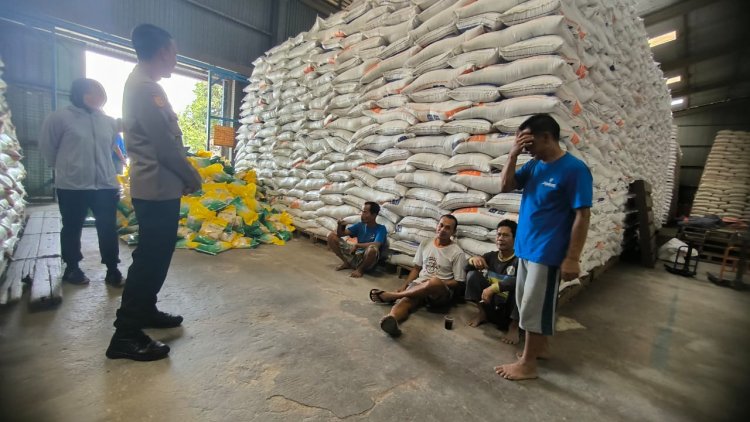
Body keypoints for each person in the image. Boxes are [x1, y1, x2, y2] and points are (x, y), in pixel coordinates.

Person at [106, 24, 202, 362]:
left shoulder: (141, 84)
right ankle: (126, 334)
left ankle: (145, 311)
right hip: (158, 188)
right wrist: (192, 177)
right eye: (174, 54)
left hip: (157, 187)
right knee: (150, 261)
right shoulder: (147, 89)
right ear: (162, 52)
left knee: (154, 258)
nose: (175, 61)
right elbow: (164, 146)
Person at [494, 114, 592, 381]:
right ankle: (542, 348)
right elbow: (505, 185)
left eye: (529, 143)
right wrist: (513, 155)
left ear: (547, 137)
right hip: (526, 247)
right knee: (527, 304)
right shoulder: (535, 165)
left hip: (547, 252)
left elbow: (582, 215)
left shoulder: (574, 170)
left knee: (534, 307)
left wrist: (572, 257)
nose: (527, 149)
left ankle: (528, 364)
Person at [39, 78, 124, 287]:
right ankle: (72, 268)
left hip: (105, 184)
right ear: (77, 94)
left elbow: (111, 148)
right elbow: (48, 148)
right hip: (72, 185)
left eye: (100, 93)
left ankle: (112, 269)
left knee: (107, 228)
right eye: (91, 93)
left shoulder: (108, 122)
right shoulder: (59, 118)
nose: (97, 97)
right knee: (72, 227)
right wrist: (66, 169)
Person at [369, 214, 467, 336]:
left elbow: (459, 282)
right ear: (437, 226)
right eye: (441, 225)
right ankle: (392, 319)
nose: (442, 230)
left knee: (434, 281)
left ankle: (393, 296)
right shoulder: (426, 243)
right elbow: (416, 268)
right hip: (419, 284)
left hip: (440, 292)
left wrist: (433, 284)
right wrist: (405, 286)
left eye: (447, 228)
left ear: (453, 231)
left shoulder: (457, 253)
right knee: (405, 301)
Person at [465, 220, 520, 343]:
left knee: (521, 286)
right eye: (499, 234)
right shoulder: (490, 257)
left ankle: (513, 327)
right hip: (492, 304)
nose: (501, 238)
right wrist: (473, 260)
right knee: (472, 275)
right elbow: (466, 268)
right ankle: (482, 313)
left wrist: (493, 288)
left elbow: (522, 280)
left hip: (510, 310)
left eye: (506, 235)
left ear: (515, 238)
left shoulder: (520, 260)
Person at [326, 201, 387, 278]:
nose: (362, 215)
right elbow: (341, 234)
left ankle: (361, 269)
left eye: (365, 212)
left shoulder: (381, 228)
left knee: (372, 249)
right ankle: (347, 263)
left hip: (367, 259)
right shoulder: (360, 225)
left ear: (374, 215)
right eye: (362, 212)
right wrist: (340, 225)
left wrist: (358, 245)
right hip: (355, 255)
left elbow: (377, 244)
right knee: (331, 236)